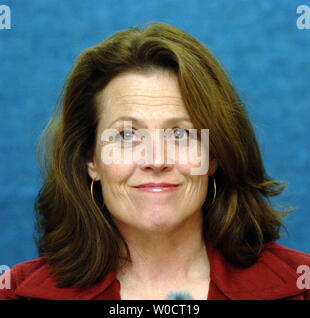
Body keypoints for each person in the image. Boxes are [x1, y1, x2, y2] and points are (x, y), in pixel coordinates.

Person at [1, 22, 309, 300]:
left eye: (180, 134)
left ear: (214, 155)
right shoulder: (14, 293)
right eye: (126, 135)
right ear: (91, 159)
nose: (156, 159)